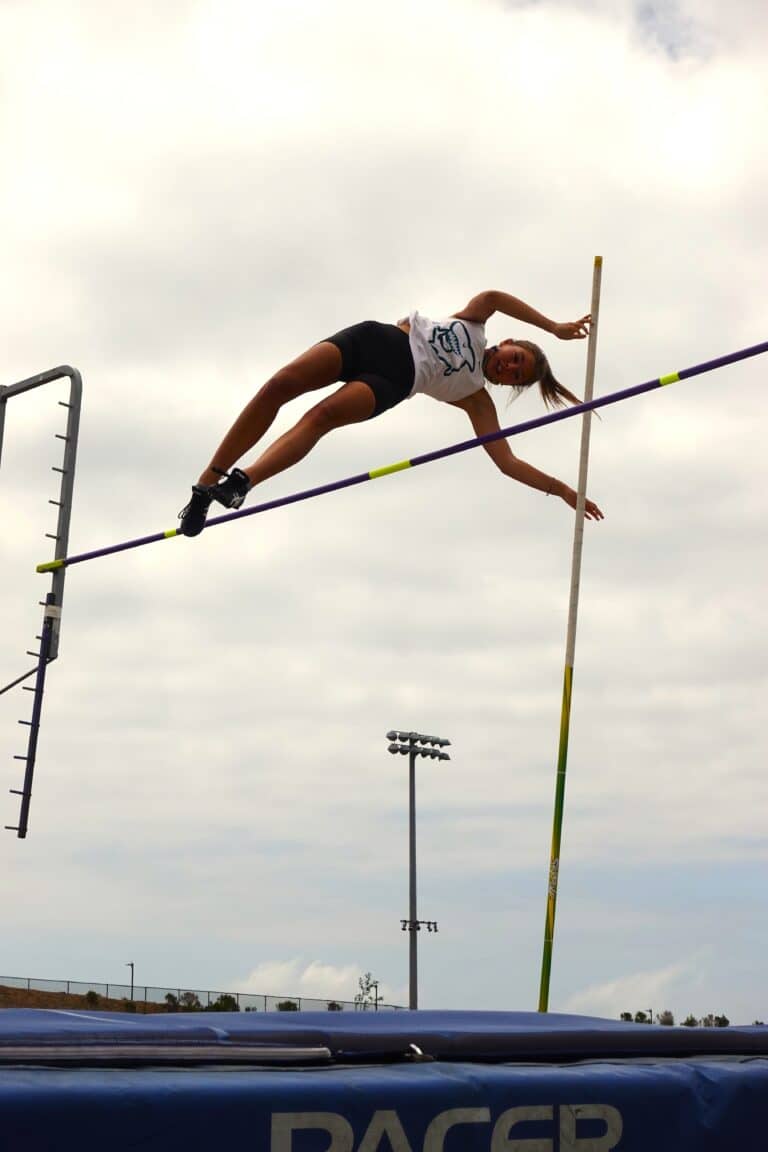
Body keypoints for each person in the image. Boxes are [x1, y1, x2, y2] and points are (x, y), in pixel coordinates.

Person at [178, 290, 604, 536]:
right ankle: (204, 489)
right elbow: (495, 296)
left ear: (507, 385)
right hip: (374, 339)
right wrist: (553, 327)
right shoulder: (474, 321)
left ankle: (245, 481)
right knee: (278, 386)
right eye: (516, 359)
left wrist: (563, 491)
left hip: (395, 380)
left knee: (320, 417)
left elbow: (506, 462)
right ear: (509, 343)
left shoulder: (475, 396)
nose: (509, 368)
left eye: (516, 375)